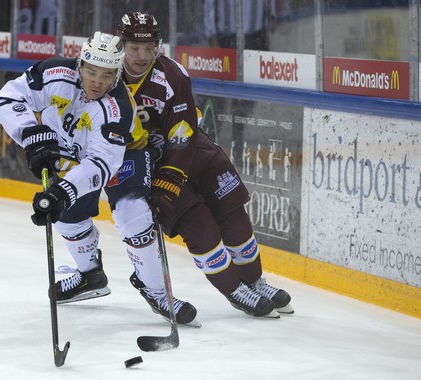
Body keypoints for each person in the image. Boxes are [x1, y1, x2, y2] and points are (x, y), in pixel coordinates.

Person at [0, 31, 197, 325]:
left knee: (132, 213)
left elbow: (101, 164)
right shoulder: (55, 72)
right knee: (64, 217)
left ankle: (157, 292)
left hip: (126, 154)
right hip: (73, 152)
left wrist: (64, 191)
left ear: (116, 74)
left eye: (107, 74)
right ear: (80, 65)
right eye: (91, 71)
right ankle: (90, 276)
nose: (97, 81)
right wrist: (31, 134)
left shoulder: (116, 107)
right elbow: (7, 97)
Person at [117, 11, 293, 318]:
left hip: (191, 152)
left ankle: (254, 281)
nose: (143, 56)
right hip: (148, 166)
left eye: (150, 48)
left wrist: (172, 178)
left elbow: (183, 135)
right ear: (122, 45)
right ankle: (235, 290)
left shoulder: (172, 75)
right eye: (135, 48)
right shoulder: (106, 76)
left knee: (233, 213)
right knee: (199, 226)